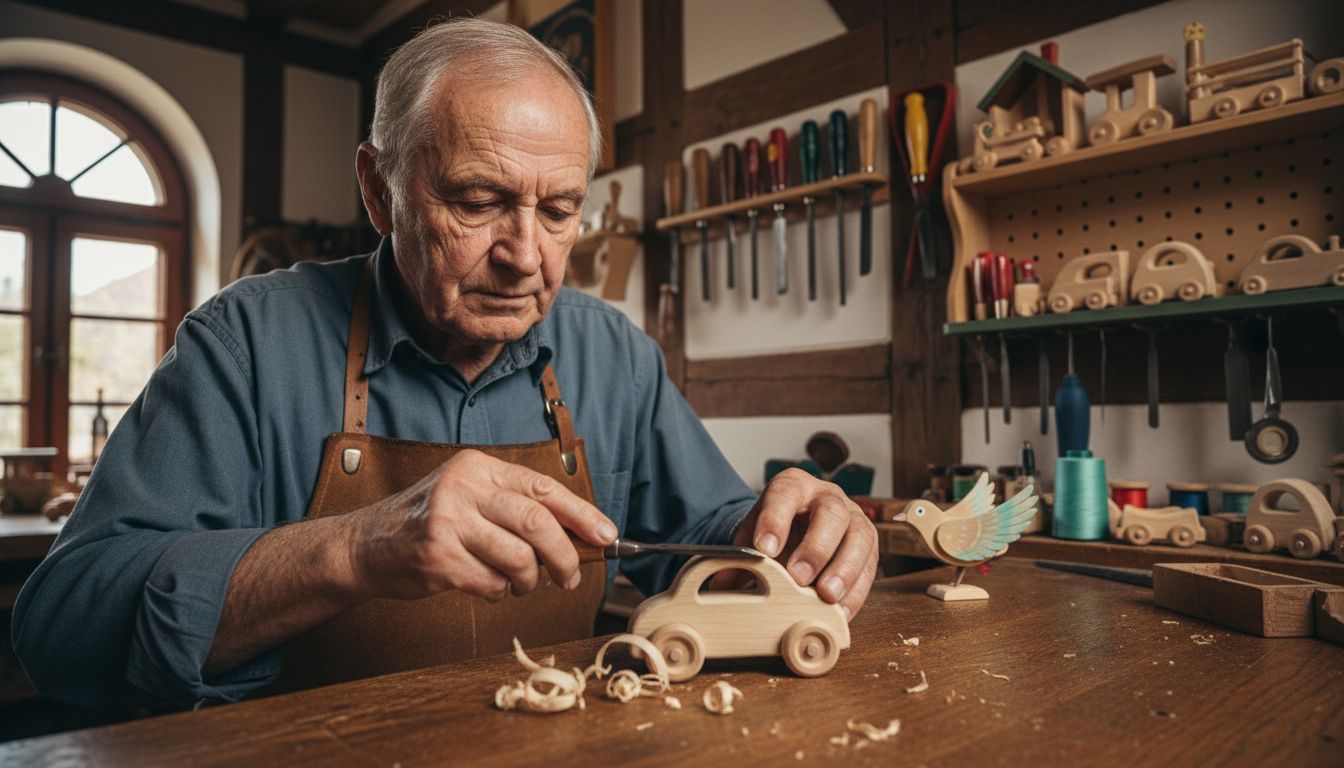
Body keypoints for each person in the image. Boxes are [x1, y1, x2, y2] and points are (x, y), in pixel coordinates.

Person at [12, 17, 877, 708]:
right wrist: (354, 549)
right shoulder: (245, 344)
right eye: (479, 200)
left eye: (560, 210)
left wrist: (782, 534)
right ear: (379, 191)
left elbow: (700, 534)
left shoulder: (612, 354)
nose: (526, 255)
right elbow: (59, 631)